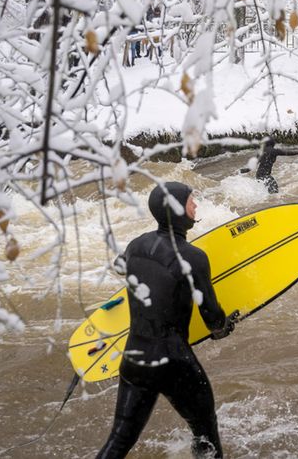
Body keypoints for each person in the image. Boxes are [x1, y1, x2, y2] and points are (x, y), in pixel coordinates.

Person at [98, 182, 235, 459]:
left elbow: (119, 267)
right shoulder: (193, 257)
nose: (195, 205)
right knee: (205, 434)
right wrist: (224, 327)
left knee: (120, 440)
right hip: (173, 360)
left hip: (134, 358)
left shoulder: (136, 245)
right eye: (190, 201)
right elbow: (211, 317)